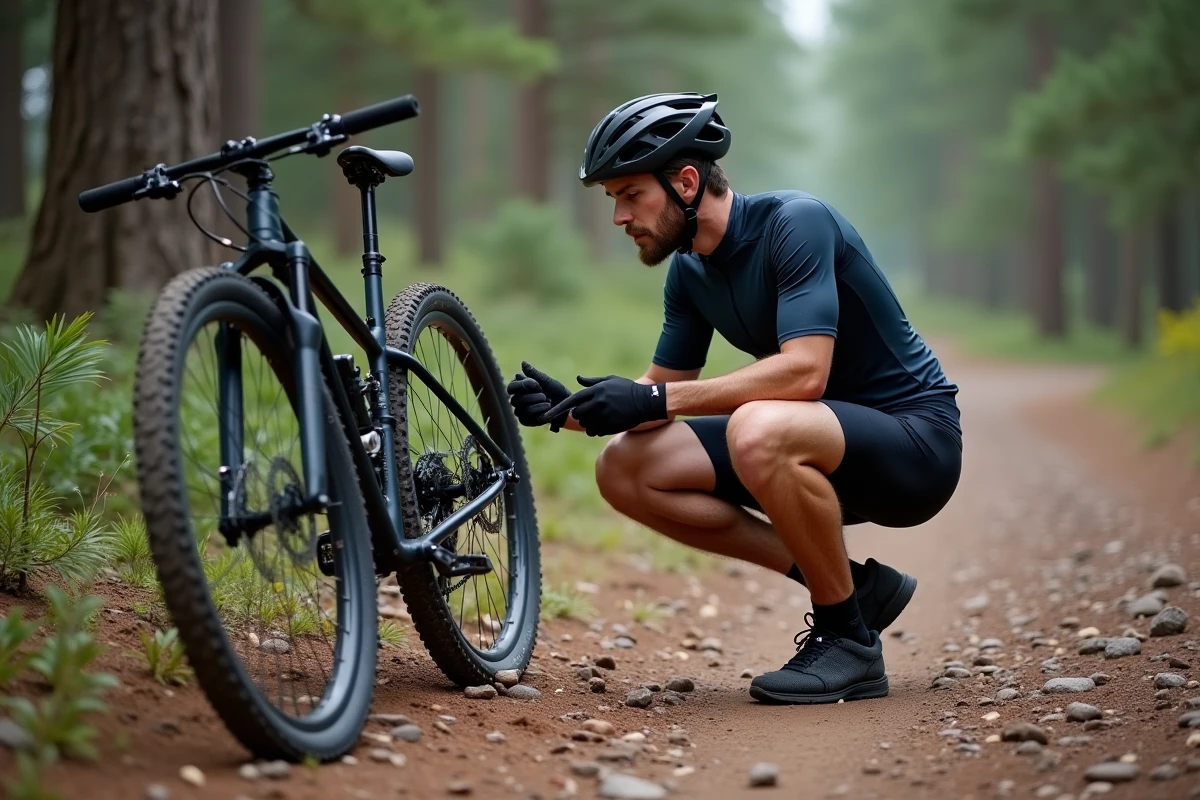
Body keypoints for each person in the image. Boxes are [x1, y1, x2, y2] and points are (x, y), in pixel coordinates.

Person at [506, 92, 962, 705]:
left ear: (687, 181)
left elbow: (805, 374)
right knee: (625, 466)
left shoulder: (795, 224)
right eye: (613, 199)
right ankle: (853, 591)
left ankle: (847, 642)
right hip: (817, 446)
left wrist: (654, 401)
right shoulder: (690, 272)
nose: (619, 216)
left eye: (630, 194)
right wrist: (572, 413)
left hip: (914, 443)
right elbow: (656, 394)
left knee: (758, 428)